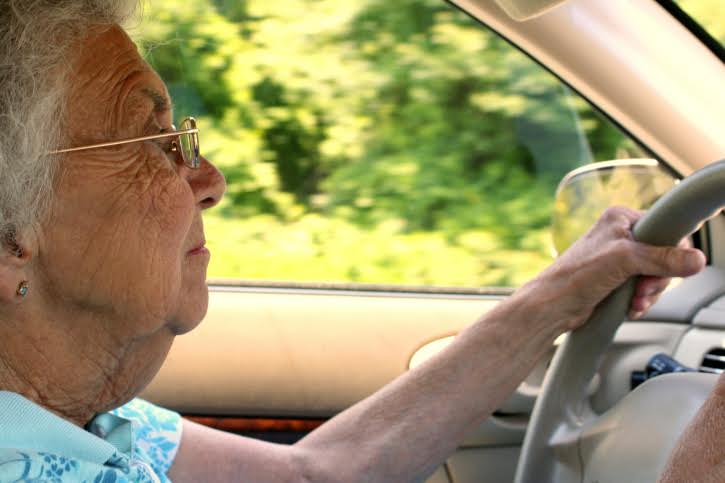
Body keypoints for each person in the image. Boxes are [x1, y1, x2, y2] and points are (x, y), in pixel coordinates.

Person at [0, 1, 716, 482]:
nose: (210, 179)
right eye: (155, 141)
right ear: (10, 242)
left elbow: (317, 473)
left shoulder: (87, 423)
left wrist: (558, 295)